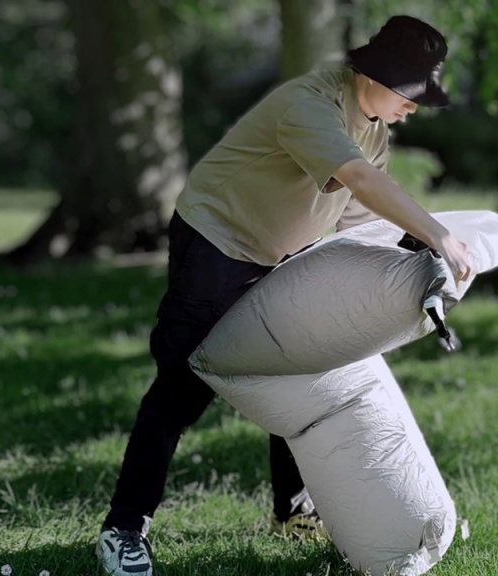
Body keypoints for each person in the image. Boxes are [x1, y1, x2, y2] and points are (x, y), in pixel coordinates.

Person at [95, 15, 473, 576]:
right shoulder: (312, 106)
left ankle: (292, 513)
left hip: (280, 253)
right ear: (376, 74)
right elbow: (363, 182)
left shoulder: (374, 127)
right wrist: (437, 230)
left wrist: (422, 265)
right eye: (410, 94)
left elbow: (359, 218)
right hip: (216, 244)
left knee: (298, 367)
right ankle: (122, 531)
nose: (414, 108)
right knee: (180, 389)